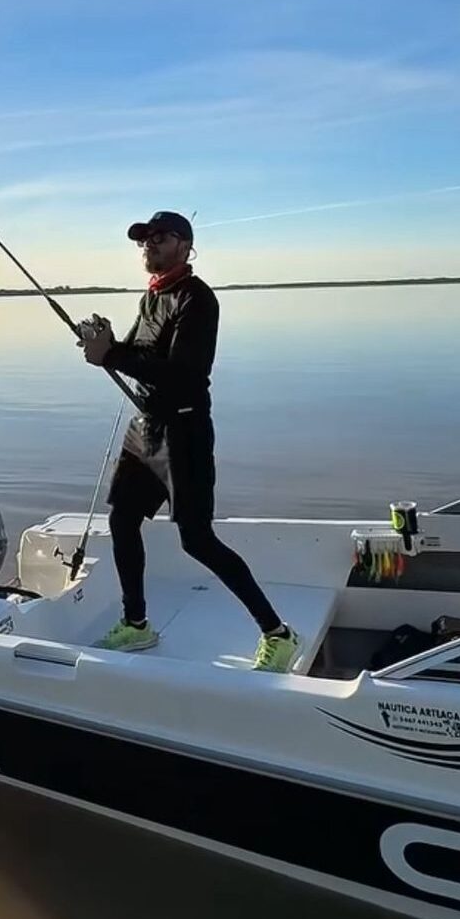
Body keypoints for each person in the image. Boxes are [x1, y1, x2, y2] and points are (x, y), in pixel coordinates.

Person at [78, 210, 302, 671]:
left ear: (185, 245)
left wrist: (113, 355)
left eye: (159, 239)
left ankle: (278, 634)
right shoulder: (152, 297)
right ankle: (137, 625)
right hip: (146, 429)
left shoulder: (197, 300)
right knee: (122, 520)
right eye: (144, 240)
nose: (149, 246)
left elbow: (185, 374)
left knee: (197, 540)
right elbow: (141, 355)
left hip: (185, 431)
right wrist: (103, 346)